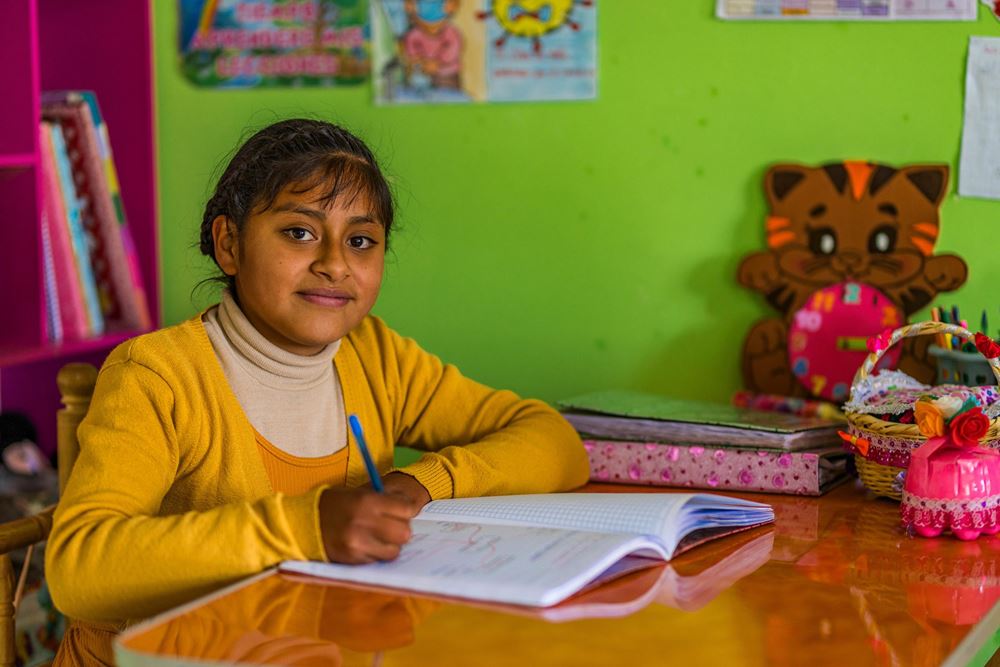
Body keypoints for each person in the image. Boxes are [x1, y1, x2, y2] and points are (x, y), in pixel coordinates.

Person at [46, 118, 589, 665]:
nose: (334, 264)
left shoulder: (376, 358)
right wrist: (306, 527)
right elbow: (79, 572)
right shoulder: (158, 375)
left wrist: (419, 484)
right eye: (299, 232)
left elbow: (556, 442)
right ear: (229, 244)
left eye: (360, 241)